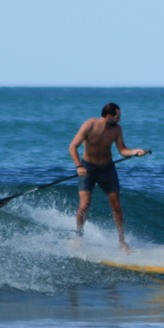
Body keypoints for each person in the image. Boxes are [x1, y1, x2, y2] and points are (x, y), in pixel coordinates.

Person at [69, 103, 146, 253]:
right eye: (118, 117)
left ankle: (122, 241)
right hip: (88, 169)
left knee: (116, 206)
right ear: (109, 116)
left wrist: (135, 152)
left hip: (107, 169)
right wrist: (79, 166)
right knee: (84, 206)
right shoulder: (89, 125)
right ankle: (79, 236)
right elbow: (72, 147)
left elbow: (123, 150)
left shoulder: (116, 130)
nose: (120, 120)